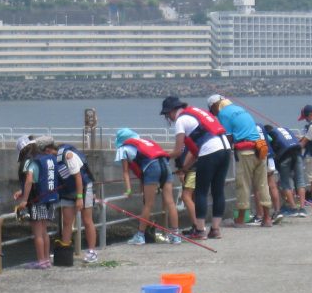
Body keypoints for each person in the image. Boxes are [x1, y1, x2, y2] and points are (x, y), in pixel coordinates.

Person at [161, 96, 230, 240]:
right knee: (218, 190)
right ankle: (215, 230)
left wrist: (162, 156)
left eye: (167, 115)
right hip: (225, 148)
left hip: (210, 150)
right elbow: (195, 152)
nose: (169, 118)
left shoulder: (181, 120)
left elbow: (179, 150)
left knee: (201, 191)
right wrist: (184, 168)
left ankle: (200, 230)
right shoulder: (197, 112)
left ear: (173, 111)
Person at [208, 95, 272, 227]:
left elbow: (228, 138)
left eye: (212, 111)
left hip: (245, 151)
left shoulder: (223, 114)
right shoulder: (239, 109)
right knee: (262, 184)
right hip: (260, 149)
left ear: (215, 105)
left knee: (243, 184)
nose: (213, 114)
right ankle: (267, 218)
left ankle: (241, 219)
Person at [114, 128, 181, 246]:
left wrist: (129, 190)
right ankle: (176, 235)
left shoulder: (123, 148)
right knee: (170, 202)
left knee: (148, 204)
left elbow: (125, 172)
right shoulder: (145, 143)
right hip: (165, 165)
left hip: (152, 168)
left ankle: (140, 236)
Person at [13, 136, 59, 268]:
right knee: (44, 232)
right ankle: (47, 260)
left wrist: (25, 199)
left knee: (38, 233)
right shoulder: (48, 159)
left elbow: (29, 180)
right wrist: (22, 192)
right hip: (49, 199)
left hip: (37, 200)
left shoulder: (32, 161)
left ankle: (41, 261)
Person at [55, 143, 100, 262]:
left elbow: (78, 177)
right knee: (67, 221)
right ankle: (65, 250)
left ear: (49, 150)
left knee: (87, 220)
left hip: (84, 189)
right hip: (68, 191)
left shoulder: (68, 156)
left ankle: (92, 251)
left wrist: (80, 198)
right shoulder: (53, 160)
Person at [263, 123, 306, 216]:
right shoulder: (284, 129)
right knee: (300, 181)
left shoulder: (269, 134)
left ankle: (293, 208)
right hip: (297, 153)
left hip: (285, 156)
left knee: (285, 183)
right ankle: (302, 209)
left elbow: (271, 149)